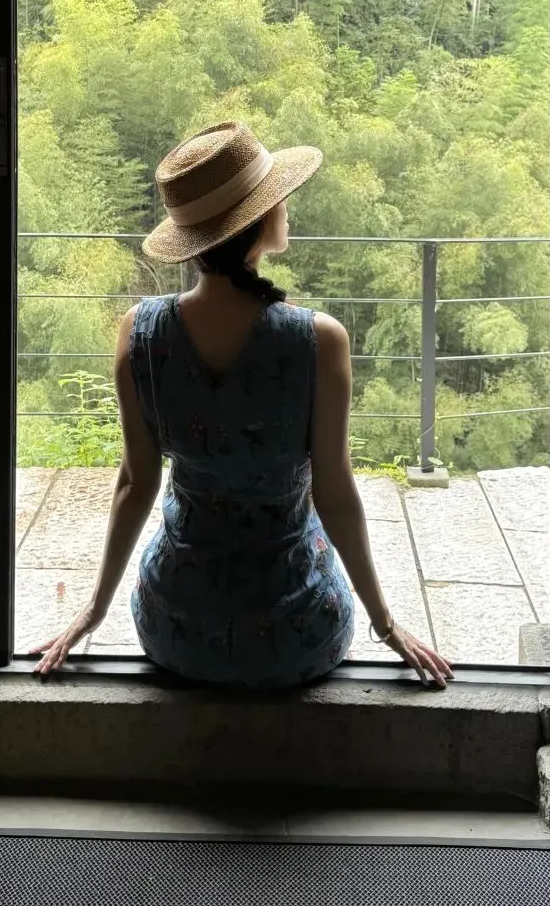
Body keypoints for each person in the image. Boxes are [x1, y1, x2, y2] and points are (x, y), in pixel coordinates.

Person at [35, 120, 452, 689]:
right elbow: (334, 495)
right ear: (258, 223)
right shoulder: (317, 340)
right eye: (279, 197)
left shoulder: (141, 333)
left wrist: (94, 610)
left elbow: (135, 483)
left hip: (175, 627)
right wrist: (386, 625)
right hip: (294, 632)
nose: (287, 207)